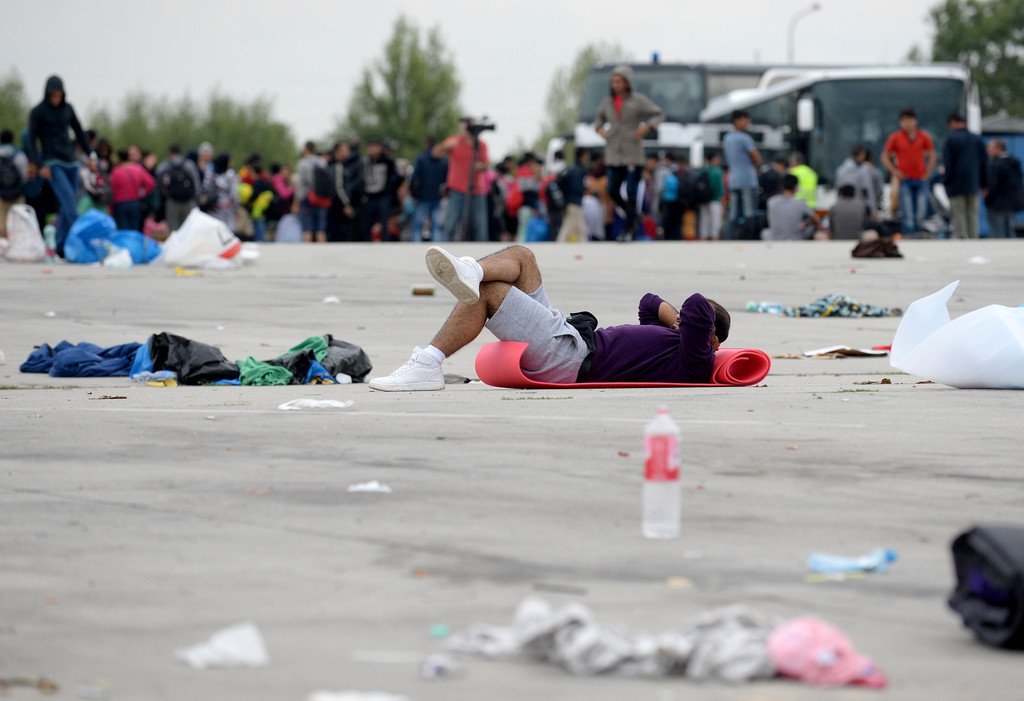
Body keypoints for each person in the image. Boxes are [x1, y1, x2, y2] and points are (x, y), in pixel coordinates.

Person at [367, 244, 730, 391]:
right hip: (570, 338)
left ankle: (428, 364)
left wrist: (689, 326)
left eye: (694, 326)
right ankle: (471, 270)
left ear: (711, 339)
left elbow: (697, 305)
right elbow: (648, 303)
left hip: (572, 359)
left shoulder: (695, 360)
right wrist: (675, 322)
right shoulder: (672, 344)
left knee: (491, 294)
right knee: (523, 257)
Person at [592, 66, 665, 240]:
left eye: (618, 81)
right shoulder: (607, 102)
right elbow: (598, 120)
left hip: (632, 152)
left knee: (632, 191)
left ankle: (628, 229)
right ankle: (633, 216)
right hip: (614, 153)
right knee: (612, 189)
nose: (615, 84)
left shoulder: (638, 100)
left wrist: (647, 127)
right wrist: (600, 130)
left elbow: (659, 113)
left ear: (627, 83)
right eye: (613, 81)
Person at [25, 75, 92, 257]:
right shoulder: (38, 112)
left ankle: (61, 247)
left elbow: (79, 132)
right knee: (70, 205)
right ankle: (83, 243)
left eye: (59, 95)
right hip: (52, 163)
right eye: (53, 95)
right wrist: (39, 165)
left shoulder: (68, 109)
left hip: (71, 162)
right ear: (47, 94)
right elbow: (32, 141)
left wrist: (90, 155)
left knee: (67, 206)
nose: (56, 98)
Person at [882, 108, 937, 234]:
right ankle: (908, 235)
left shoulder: (923, 136)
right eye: (904, 121)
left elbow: (933, 155)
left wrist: (927, 173)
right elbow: (884, 157)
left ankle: (918, 234)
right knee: (907, 213)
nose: (907, 124)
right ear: (900, 122)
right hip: (905, 179)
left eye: (910, 120)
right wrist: (895, 172)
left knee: (921, 212)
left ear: (915, 121)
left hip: (921, 179)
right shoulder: (895, 137)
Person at [434, 119, 491, 242]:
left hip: (477, 190)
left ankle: (482, 252)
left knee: (480, 226)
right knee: (450, 224)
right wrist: (445, 146)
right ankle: (444, 250)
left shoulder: (481, 145)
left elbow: (486, 166)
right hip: (457, 189)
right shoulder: (454, 141)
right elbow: (435, 154)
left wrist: (479, 166)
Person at [942, 113, 987, 240]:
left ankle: (962, 238)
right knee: (972, 214)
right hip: (973, 184)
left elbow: (948, 164)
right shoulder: (977, 139)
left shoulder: (951, 139)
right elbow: (984, 163)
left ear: (953, 122)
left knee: (959, 214)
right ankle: (974, 237)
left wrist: (946, 182)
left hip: (956, 184)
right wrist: (984, 184)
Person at [723, 110, 763, 239]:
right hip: (747, 180)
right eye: (746, 120)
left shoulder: (727, 138)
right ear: (737, 120)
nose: (748, 123)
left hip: (733, 180)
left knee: (733, 213)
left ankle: (729, 238)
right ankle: (749, 238)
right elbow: (757, 159)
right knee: (749, 212)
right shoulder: (745, 138)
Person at [156, 144, 202, 232]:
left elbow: (158, 175)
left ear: (170, 152)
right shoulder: (189, 164)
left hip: (172, 200)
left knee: (173, 227)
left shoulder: (166, 165)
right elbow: (196, 182)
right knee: (189, 226)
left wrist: (164, 194)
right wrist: (196, 197)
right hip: (188, 200)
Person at [410, 137, 448, 242]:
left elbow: (446, 180)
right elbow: (414, 179)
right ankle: (416, 243)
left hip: (434, 197)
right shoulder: (423, 160)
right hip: (425, 197)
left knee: (435, 224)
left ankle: (436, 245)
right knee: (419, 223)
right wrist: (414, 195)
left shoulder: (442, 162)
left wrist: (444, 192)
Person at [984, 139, 1024, 238]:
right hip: (1011, 204)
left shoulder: (996, 165)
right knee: (1010, 231)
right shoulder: (1014, 163)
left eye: (989, 147)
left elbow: (992, 186)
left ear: (998, 149)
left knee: (997, 233)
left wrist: (987, 199)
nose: (987, 150)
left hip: (997, 204)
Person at [109, 148, 156, 231]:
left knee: (123, 229)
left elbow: (111, 189)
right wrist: (142, 193)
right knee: (135, 229)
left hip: (120, 204)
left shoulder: (116, 171)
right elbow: (151, 183)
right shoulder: (137, 169)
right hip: (134, 202)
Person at [362, 139, 399, 241]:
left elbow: (395, 178)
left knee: (384, 221)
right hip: (369, 196)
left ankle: (385, 241)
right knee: (367, 221)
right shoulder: (365, 162)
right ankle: (366, 241)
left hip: (383, 196)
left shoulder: (388, 162)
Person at [766, 173, 821, 240]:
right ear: (796, 187)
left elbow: (770, 221)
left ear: (782, 186)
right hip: (796, 238)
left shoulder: (771, 201)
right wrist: (806, 223)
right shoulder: (800, 203)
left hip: (775, 238)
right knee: (810, 228)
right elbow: (816, 219)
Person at [294, 141, 329, 243]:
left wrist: (296, 203)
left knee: (307, 229)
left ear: (306, 149)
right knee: (321, 229)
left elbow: (300, 185)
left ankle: (307, 251)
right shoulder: (322, 162)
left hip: (307, 198)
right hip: (322, 198)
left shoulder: (302, 163)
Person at [0, 129, 29, 238]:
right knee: (19, 220)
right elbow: (24, 174)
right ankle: (18, 243)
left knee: (2, 223)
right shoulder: (19, 154)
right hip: (17, 193)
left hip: (1, 195)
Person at [557, 149, 590, 243]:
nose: (587, 159)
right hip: (574, 203)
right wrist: (586, 189)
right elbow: (577, 188)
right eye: (586, 156)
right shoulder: (577, 171)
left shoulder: (571, 169)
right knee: (574, 227)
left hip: (571, 202)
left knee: (573, 227)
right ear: (582, 157)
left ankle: (581, 243)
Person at [835, 145, 877, 215]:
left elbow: (838, 191)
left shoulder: (841, 170)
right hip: (860, 208)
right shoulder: (864, 170)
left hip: (844, 207)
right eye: (863, 155)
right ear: (860, 155)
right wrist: (873, 208)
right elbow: (868, 190)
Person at [698, 151, 725, 240]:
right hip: (715, 199)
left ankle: (703, 237)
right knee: (716, 220)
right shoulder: (718, 171)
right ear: (713, 159)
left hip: (703, 199)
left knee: (704, 220)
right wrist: (722, 200)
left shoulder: (703, 171)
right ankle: (714, 237)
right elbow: (719, 188)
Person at [209, 153, 239, 232]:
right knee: (228, 231)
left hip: (214, 209)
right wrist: (237, 208)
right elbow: (234, 194)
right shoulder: (231, 175)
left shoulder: (212, 174)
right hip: (228, 209)